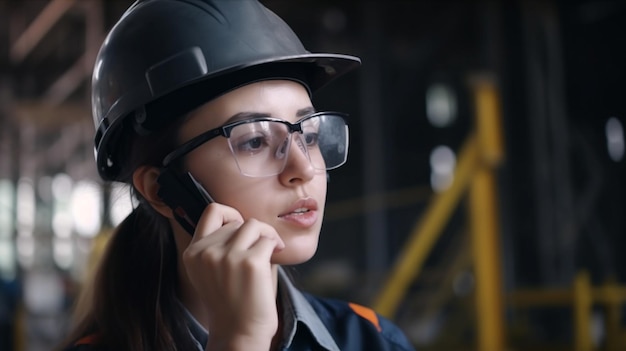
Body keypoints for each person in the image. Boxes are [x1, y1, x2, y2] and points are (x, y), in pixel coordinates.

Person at [58, 0, 415, 350]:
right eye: (255, 141)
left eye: (308, 135)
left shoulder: (371, 339)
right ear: (161, 190)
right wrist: (239, 341)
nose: (303, 169)